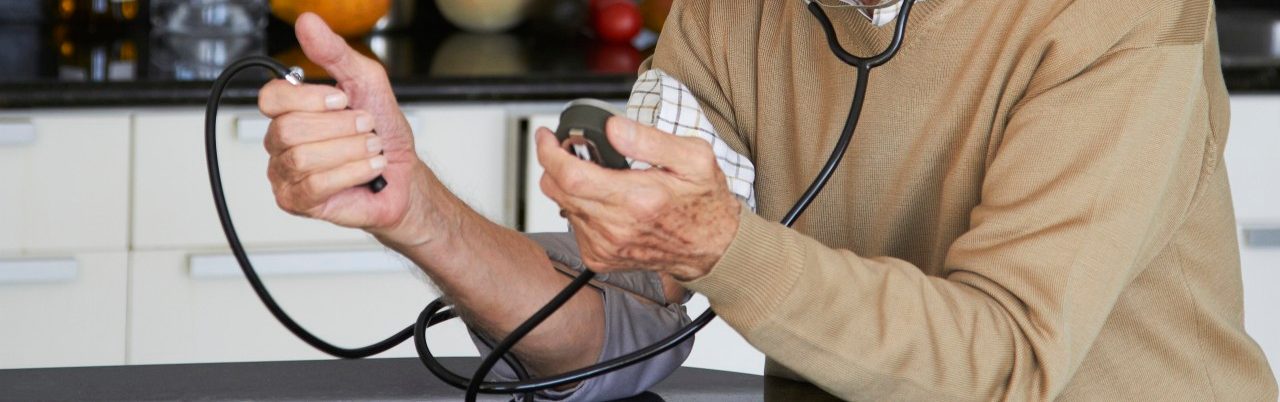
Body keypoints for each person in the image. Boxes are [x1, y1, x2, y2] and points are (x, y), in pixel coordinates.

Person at [257, 0, 1278, 400]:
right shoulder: (729, 12)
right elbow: (630, 330)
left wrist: (722, 246)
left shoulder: (1116, 21)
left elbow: (1002, 365)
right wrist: (414, 209)